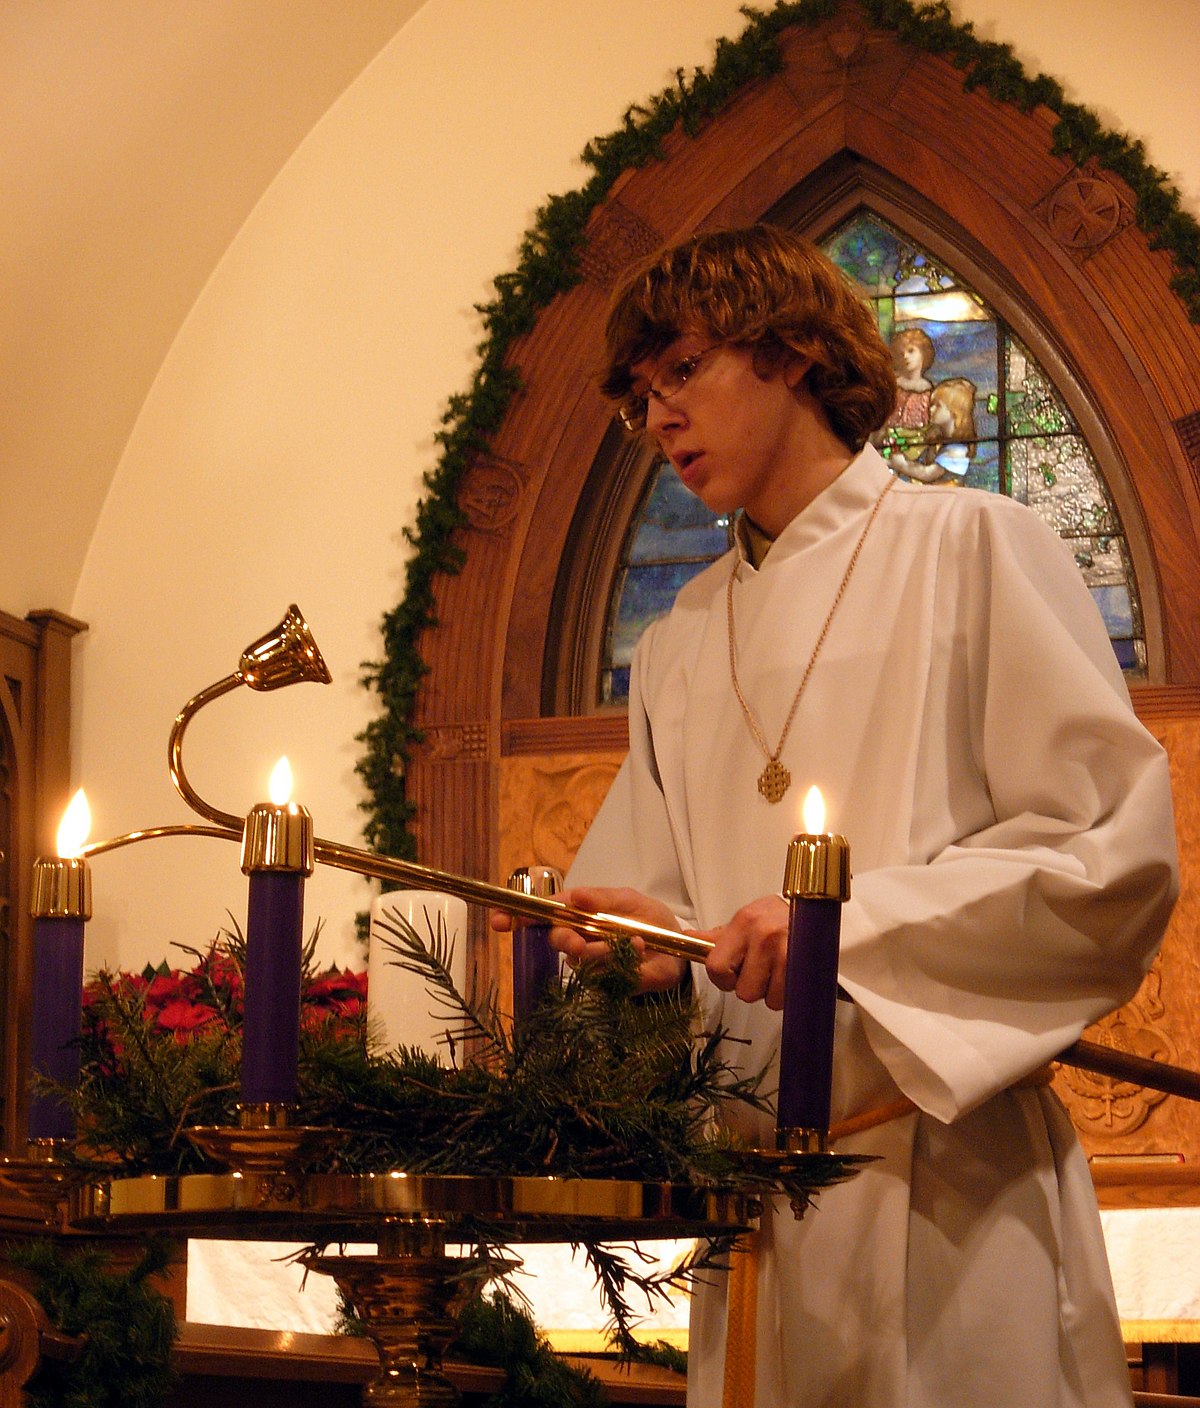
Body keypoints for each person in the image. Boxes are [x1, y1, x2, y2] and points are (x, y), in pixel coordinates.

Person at [498, 225, 1178, 1407]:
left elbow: (1104, 853)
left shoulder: (971, 547)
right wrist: (641, 956)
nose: (659, 418)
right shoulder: (676, 645)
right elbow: (671, 921)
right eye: (641, 395)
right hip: (754, 1212)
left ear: (798, 351)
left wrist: (842, 931)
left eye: (684, 372)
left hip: (949, 1198)